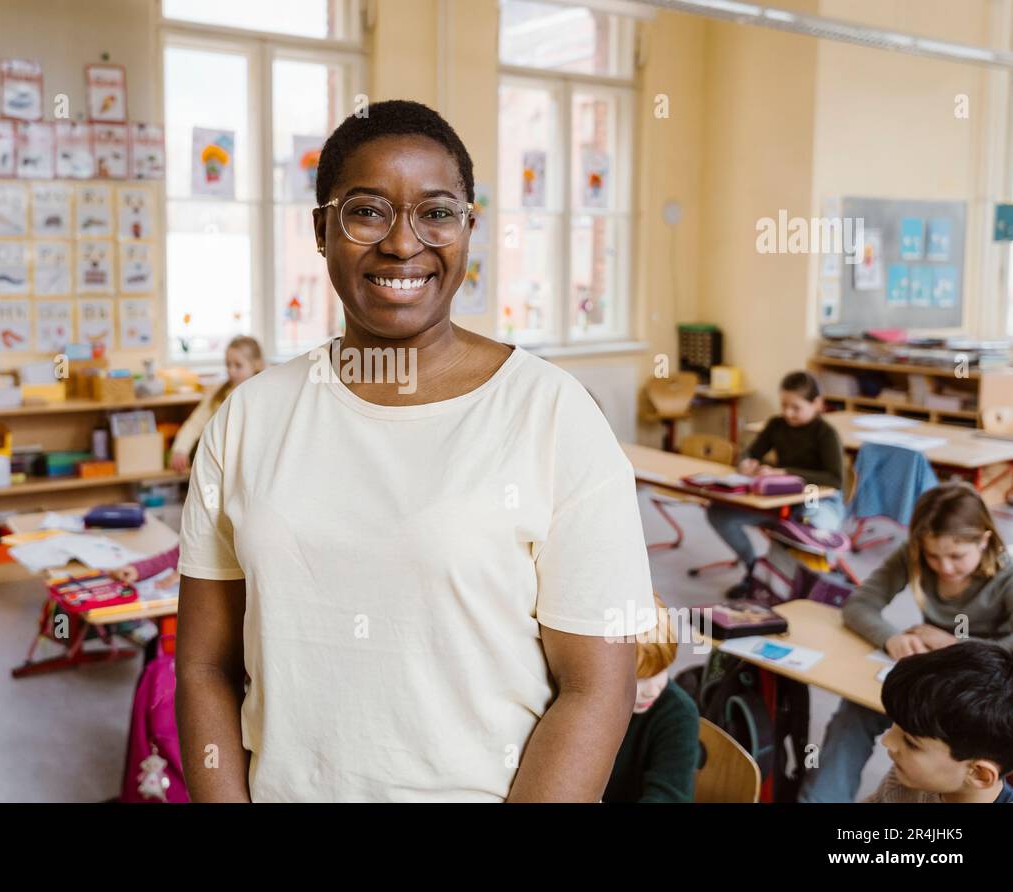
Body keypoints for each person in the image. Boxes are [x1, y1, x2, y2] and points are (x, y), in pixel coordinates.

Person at [175, 99, 656, 802]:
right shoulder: (248, 419)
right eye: (367, 211)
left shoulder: (553, 416)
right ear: (322, 229)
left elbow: (596, 690)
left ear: (469, 228)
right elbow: (204, 668)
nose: (403, 244)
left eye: (436, 212)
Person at [800, 482, 1013, 802]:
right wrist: (890, 638)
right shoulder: (914, 553)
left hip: (980, 693)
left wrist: (956, 644)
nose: (944, 567)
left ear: (983, 541)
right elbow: (859, 605)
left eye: (957, 556)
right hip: (932, 677)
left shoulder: (1007, 575)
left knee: (928, 750)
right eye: (932, 556)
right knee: (853, 714)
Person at [707, 370, 845, 598]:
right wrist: (746, 463)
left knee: (804, 528)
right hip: (781, 500)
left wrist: (783, 472)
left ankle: (805, 584)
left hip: (819, 499)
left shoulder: (826, 433)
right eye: (784, 405)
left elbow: (834, 479)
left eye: (796, 407)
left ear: (817, 404)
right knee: (719, 513)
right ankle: (755, 572)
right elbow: (751, 452)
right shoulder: (776, 425)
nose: (788, 413)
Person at [864, 641, 1013, 803]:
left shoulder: (915, 774)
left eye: (911, 742)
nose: (887, 741)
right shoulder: (909, 776)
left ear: (979, 774)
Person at [603, 596, 700, 802]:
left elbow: (670, 796)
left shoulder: (678, 714)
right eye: (639, 679)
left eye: (661, 670)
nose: (653, 689)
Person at [168, 336, 264, 472]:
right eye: (228, 365)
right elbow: (196, 423)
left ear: (256, 365)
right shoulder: (218, 393)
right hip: (224, 462)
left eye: (238, 365)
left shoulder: (265, 393)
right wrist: (180, 449)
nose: (231, 370)